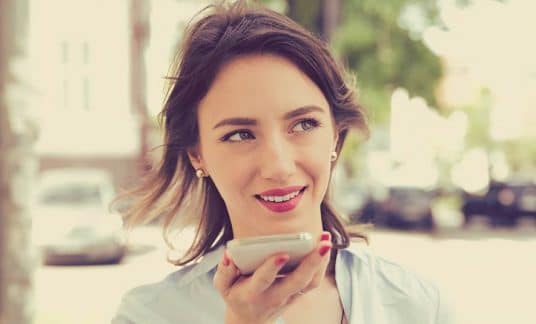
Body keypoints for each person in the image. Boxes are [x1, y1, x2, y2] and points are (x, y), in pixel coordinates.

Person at [112, 1, 451, 323]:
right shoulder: (147, 316)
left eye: (304, 125)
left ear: (334, 135)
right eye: (240, 135)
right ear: (196, 154)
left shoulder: (417, 304)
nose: (279, 166)